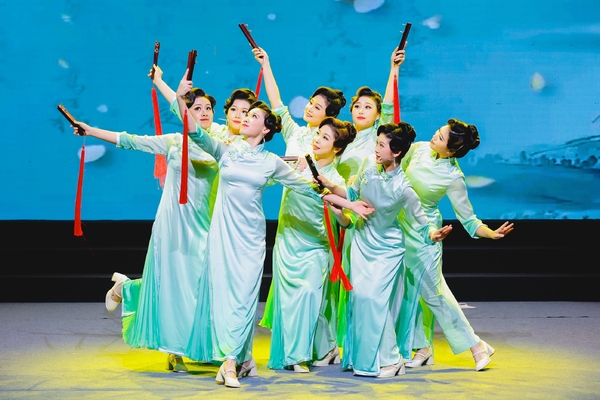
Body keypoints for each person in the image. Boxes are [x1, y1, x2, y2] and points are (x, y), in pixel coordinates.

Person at [176, 70, 374, 388]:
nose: (244, 118)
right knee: (225, 297)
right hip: (224, 235)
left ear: (266, 128)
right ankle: (242, 358)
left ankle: (231, 361)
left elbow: (311, 188)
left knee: (245, 299)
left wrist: (350, 204)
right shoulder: (225, 150)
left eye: (253, 115)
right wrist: (178, 96)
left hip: (253, 238)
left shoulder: (272, 161)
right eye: (245, 114)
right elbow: (192, 131)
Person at [73, 87, 220, 373]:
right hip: (172, 223)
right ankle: (176, 350)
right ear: (185, 113)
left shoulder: (220, 142)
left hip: (204, 223)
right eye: (197, 108)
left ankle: (127, 288)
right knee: (172, 284)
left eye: (208, 109)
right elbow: (129, 140)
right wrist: (90, 130)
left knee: (199, 284)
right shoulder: (174, 142)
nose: (204, 113)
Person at [320, 122, 452, 378]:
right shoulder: (369, 164)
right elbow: (351, 193)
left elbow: (421, 221)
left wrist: (433, 234)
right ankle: (364, 359)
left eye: (382, 145)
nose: (376, 149)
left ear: (397, 152)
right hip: (361, 241)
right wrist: (330, 184)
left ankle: (392, 360)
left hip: (388, 249)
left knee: (375, 301)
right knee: (360, 300)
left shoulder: (404, 188)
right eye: (377, 143)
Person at [395, 118, 514, 371]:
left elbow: (468, 219)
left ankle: (476, 346)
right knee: (410, 295)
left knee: (435, 294)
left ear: (452, 151)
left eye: (441, 137)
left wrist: (490, 233)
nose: (434, 137)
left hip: (428, 235)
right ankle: (422, 348)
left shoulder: (453, 177)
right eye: (438, 132)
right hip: (400, 228)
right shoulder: (418, 149)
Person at [259, 117, 356, 373]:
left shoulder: (336, 180)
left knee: (308, 296)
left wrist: (339, 213)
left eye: (325, 137)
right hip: (287, 239)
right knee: (287, 301)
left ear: (337, 148)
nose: (317, 139)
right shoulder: (298, 164)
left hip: (315, 245)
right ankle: (297, 353)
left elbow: (348, 222)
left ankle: (300, 356)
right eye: (318, 134)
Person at [251, 47, 346, 157]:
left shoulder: (330, 144)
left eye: (317, 107)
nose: (309, 108)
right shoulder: (295, 133)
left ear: (329, 116)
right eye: (311, 103)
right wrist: (266, 64)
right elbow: (275, 101)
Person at [151, 64, 256, 141]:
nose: (237, 115)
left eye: (244, 112)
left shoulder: (250, 143)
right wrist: (158, 81)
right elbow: (182, 110)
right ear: (227, 112)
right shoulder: (214, 130)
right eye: (233, 109)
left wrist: (264, 65)